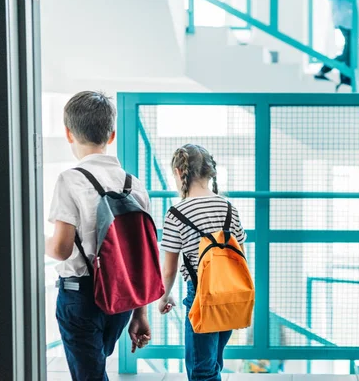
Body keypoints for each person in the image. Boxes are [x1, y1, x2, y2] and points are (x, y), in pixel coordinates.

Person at [45, 91, 151, 380]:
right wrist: (140, 313)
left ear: (68, 133)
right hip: (121, 300)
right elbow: (140, 257)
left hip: (81, 298)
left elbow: (62, 249)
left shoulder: (70, 179)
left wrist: (35, 240)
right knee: (96, 368)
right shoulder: (134, 185)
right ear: (112, 134)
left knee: (89, 375)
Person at [159, 144, 247, 380]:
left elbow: (169, 269)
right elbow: (240, 255)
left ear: (179, 173)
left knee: (201, 370)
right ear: (211, 173)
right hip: (229, 293)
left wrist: (164, 296)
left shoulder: (176, 213)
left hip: (201, 295)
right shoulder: (229, 207)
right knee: (213, 362)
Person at [314, 0, 353, 91]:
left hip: (347, 22)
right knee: (347, 53)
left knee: (349, 52)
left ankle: (344, 77)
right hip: (346, 22)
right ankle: (327, 70)